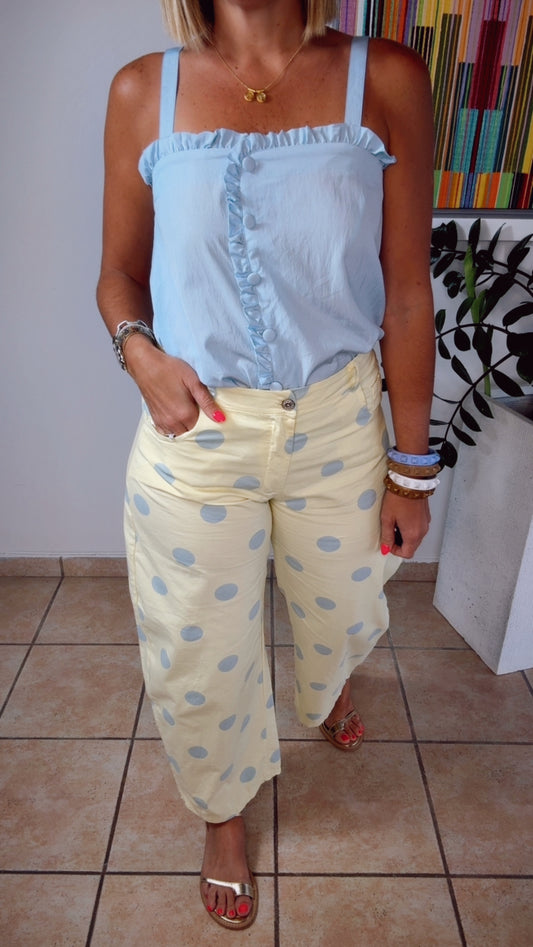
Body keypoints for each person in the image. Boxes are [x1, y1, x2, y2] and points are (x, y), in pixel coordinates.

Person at [97, 0, 436, 931]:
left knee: (343, 605)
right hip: (196, 436)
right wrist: (138, 352)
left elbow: (407, 291)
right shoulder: (142, 91)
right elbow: (118, 273)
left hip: (337, 423)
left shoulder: (386, 77)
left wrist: (412, 467)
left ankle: (324, 687)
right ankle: (223, 812)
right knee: (199, 646)